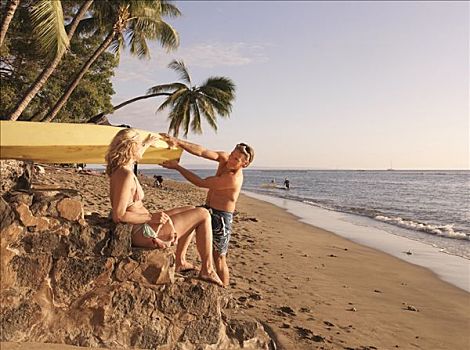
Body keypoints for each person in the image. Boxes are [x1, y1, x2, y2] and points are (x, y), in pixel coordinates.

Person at [105, 128, 223, 286]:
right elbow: (118, 215)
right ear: (131, 147)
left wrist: (147, 143)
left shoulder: (121, 168)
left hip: (140, 224)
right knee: (203, 214)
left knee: (190, 208)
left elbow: (134, 158)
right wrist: (150, 217)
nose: (141, 148)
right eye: (139, 145)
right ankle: (207, 269)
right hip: (140, 231)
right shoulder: (125, 175)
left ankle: (180, 261)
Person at [159, 134, 254, 286]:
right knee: (190, 220)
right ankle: (180, 261)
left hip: (221, 217)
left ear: (245, 163)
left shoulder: (233, 179)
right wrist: (178, 142)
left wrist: (177, 167)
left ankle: (223, 287)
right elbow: (202, 151)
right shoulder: (225, 159)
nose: (231, 159)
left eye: (236, 159)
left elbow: (200, 182)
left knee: (219, 257)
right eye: (232, 155)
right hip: (208, 208)